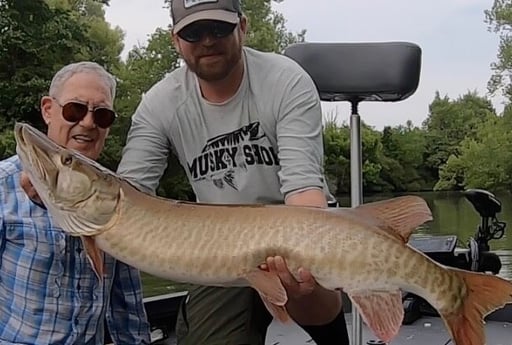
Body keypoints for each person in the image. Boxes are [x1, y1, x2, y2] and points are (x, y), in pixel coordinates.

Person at [117, 0, 350, 344]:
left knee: (315, 298)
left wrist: (304, 264)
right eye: (193, 32)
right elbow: (128, 194)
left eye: (218, 28)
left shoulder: (285, 79)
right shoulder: (159, 103)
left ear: (242, 27)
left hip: (293, 233)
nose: (207, 40)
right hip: (218, 250)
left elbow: (304, 190)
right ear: (176, 41)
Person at [2, 61, 151, 344]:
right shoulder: (2, 188)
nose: (87, 123)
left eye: (102, 115)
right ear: (48, 109)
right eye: (75, 109)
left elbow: (128, 313)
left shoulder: (119, 197)